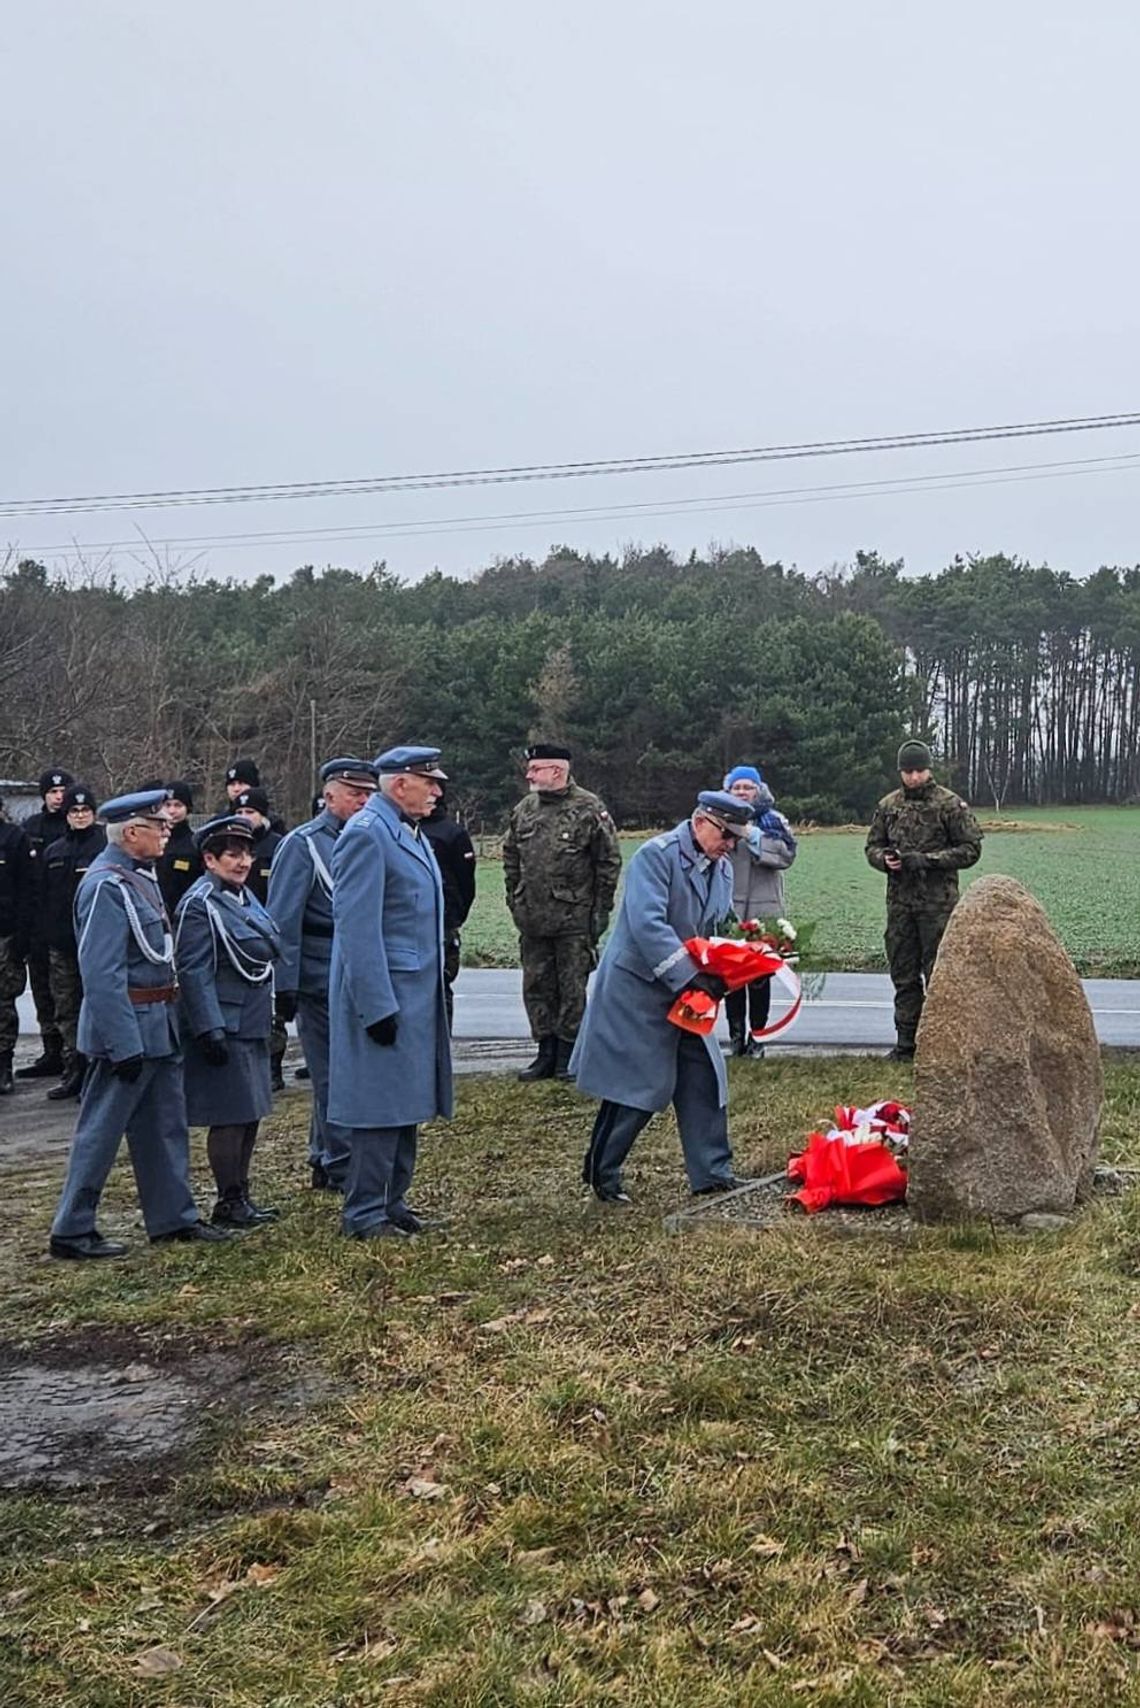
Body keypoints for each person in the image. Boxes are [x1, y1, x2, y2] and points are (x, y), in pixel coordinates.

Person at [48, 790, 229, 1259]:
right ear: (131, 833)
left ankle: (173, 1218)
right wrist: (122, 1043)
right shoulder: (106, 885)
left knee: (165, 1128)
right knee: (101, 1132)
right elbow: (101, 973)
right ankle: (72, 1229)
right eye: (158, 826)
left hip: (157, 1024)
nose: (167, 832)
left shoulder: (137, 877)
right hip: (127, 1029)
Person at [574, 790, 755, 1203]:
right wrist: (691, 977)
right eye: (726, 835)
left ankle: (712, 1173)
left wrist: (747, 956)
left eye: (736, 839)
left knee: (704, 1077)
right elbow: (648, 925)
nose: (730, 845)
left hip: (688, 993)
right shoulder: (655, 857)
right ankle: (603, 1173)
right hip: (637, 990)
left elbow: (717, 927)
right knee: (636, 1088)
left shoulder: (722, 869)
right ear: (700, 822)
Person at [328, 746, 452, 1239]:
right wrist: (376, 1006)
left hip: (412, 994)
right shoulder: (367, 834)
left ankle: (391, 1201)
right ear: (400, 784)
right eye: (429, 782)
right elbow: (356, 930)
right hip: (384, 997)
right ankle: (364, 1212)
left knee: (404, 1100)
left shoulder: (403, 830)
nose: (437, 791)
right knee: (378, 1105)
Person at [268, 757, 378, 1189]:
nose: (363, 801)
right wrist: (285, 984)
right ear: (329, 796)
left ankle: (324, 1156)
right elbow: (283, 920)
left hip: (354, 973)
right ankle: (341, 1164)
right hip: (318, 976)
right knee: (334, 1074)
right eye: (354, 794)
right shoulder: (304, 845)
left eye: (368, 794)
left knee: (346, 1071)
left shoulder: (368, 838)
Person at [175, 816, 282, 1227]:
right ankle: (228, 1199)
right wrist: (209, 1027)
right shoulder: (200, 904)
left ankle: (241, 1193)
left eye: (247, 854)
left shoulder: (242, 896)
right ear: (209, 859)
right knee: (229, 1115)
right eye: (233, 855)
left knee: (250, 1110)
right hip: (225, 1022)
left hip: (251, 1018)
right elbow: (193, 969)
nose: (243, 863)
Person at [503, 742, 621, 1083]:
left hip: (574, 919)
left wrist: (600, 911)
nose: (529, 775)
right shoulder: (525, 809)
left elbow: (608, 862)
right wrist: (515, 897)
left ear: (557, 771)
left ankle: (569, 1055)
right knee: (537, 986)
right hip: (533, 918)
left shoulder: (588, 808)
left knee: (571, 988)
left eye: (535, 769)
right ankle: (545, 1051)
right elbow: (510, 855)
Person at [865, 739, 984, 1060]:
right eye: (908, 771)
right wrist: (884, 860)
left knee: (940, 978)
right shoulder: (888, 806)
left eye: (919, 770)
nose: (914, 777)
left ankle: (943, 1046)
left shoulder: (950, 805)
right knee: (903, 976)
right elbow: (872, 846)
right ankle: (906, 1044)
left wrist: (928, 860)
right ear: (900, 772)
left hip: (938, 907)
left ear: (928, 769)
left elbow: (971, 849)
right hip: (900, 905)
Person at [721, 764, 798, 1058]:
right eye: (736, 787)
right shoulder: (718, 819)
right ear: (728, 790)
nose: (742, 792)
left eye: (747, 787)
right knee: (731, 977)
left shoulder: (773, 820)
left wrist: (752, 836)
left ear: (758, 790)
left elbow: (786, 855)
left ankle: (758, 1037)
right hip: (729, 908)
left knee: (758, 977)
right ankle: (736, 1038)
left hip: (764, 909)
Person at [39, 784, 107, 1100]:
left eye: (85, 810)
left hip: (97, 942)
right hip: (62, 943)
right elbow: (43, 897)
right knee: (67, 1009)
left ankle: (97, 1072)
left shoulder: (105, 847)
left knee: (98, 1007)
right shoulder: (54, 851)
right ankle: (74, 1071)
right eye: (74, 811)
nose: (80, 816)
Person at [16, 766, 74, 1080]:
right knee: (42, 989)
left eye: (63, 791)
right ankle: (51, 1049)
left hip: (65, 923)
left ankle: (73, 1053)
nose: (58, 797)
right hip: (36, 923)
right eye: (52, 792)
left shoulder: (75, 826)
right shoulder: (30, 828)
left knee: (69, 993)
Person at [232, 787, 286, 1087]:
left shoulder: (277, 846)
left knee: (273, 1003)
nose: (244, 817)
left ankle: (274, 1066)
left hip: (268, 932)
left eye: (250, 812)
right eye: (239, 812)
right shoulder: (228, 845)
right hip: (238, 933)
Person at [421, 788, 477, 1027]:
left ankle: (443, 1042)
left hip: (443, 922)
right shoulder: (400, 828)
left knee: (440, 987)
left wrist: (454, 917)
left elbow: (466, 882)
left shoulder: (451, 833)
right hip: (411, 922)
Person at [0, 795, 32, 1095]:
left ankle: (3, 1064)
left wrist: (23, 935)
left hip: (5, 933)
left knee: (3, 1003)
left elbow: (26, 889)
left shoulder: (14, 838)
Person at [156, 781, 200, 918]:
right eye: (167, 805)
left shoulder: (195, 844)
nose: (171, 811)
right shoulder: (152, 840)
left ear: (188, 808)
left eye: (178, 805)